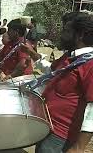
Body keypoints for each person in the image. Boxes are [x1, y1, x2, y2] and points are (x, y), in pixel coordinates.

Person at [35, 12, 93, 153]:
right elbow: (51, 74)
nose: (62, 35)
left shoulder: (90, 64)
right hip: (47, 127)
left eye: (67, 31)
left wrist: (78, 148)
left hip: (60, 137)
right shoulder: (71, 58)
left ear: (79, 35)